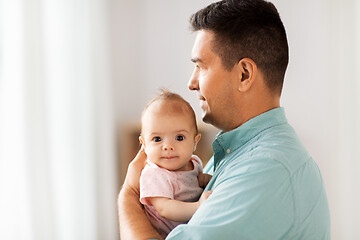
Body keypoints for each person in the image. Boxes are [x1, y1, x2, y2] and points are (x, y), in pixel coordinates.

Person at [118, 0, 331, 239]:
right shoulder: (234, 154)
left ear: (244, 74)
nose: (192, 82)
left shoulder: (264, 170)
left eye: (201, 67)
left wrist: (128, 195)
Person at [138, 90, 212, 239]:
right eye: (157, 139)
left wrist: (203, 179)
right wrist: (197, 207)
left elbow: (193, 181)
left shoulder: (194, 163)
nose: (168, 146)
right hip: (164, 235)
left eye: (179, 137)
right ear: (144, 145)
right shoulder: (154, 173)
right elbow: (165, 208)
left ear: (195, 142)